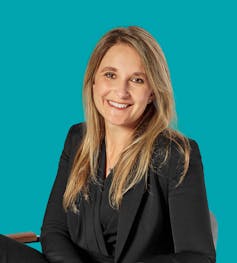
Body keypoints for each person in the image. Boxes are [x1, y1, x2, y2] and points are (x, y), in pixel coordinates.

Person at [0, 26, 216, 263]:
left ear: (152, 92)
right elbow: (54, 229)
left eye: (137, 79)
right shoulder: (77, 138)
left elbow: (198, 256)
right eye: (110, 75)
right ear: (93, 81)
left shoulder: (176, 154)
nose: (121, 92)